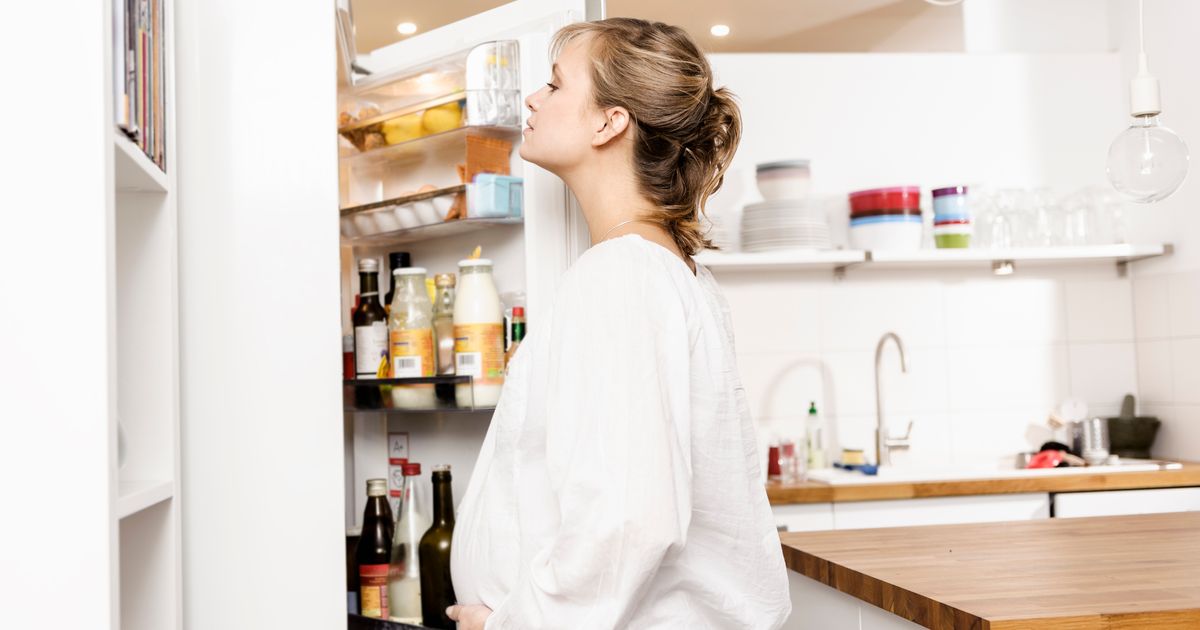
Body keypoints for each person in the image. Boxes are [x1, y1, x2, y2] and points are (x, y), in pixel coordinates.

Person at [447, 17, 790, 630]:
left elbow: (629, 519)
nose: (531, 98)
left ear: (611, 122)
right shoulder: (673, 274)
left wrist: (506, 626)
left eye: (554, 85)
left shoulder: (621, 277)